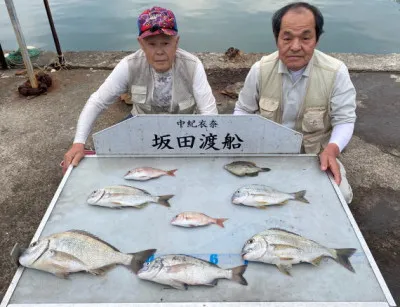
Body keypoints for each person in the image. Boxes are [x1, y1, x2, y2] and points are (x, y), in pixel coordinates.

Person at [63, 6, 218, 173]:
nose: (159, 51)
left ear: (176, 42)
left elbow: (209, 113)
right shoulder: (129, 65)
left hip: (184, 126)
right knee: (105, 159)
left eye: (166, 43)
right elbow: (97, 102)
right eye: (151, 44)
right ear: (141, 44)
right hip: (140, 123)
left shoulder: (193, 66)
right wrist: (78, 143)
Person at [234, 2, 356, 203]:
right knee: (243, 194)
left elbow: (345, 119)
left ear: (316, 39)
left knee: (341, 197)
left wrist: (332, 150)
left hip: (316, 156)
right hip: (268, 154)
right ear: (277, 38)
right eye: (287, 38)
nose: (296, 47)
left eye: (306, 38)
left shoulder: (336, 72)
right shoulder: (260, 70)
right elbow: (243, 110)